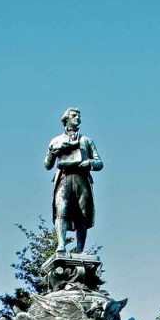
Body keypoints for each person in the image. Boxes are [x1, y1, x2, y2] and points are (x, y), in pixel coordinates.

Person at [44, 108, 103, 253]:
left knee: (82, 215)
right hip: (64, 178)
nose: (78, 118)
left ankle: (80, 249)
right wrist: (53, 152)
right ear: (66, 120)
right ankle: (61, 245)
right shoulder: (56, 140)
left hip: (81, 180)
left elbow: (99, 163)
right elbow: (47, 165)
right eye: (74, 116)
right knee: (62, 210)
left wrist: (89, 163)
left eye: (79, 116)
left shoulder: (86, 141)